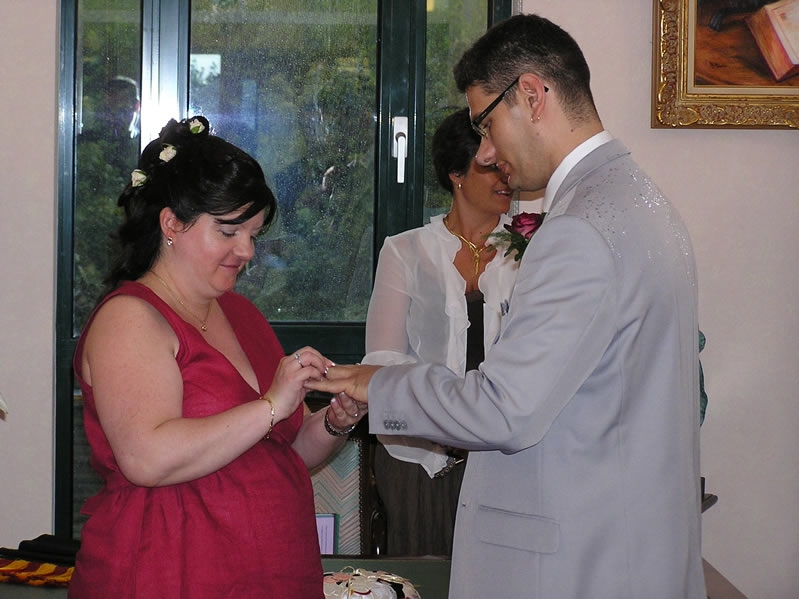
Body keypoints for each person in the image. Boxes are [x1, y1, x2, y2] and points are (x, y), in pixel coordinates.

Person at [309, 14, 706, 599]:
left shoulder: (579, 229)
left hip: (579, 563)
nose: (489, 152)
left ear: (532, 94)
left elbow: (505, 411)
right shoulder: (644, 202)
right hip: (633, 547)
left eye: (487, 125)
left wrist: (379, 384)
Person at [70, 115, 366, 598]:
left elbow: (280, 451)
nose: (246, 251)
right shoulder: (130, 318)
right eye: (229, 231)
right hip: (169, 571)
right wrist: (271, 404)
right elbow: (147, 457)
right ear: (171, 223)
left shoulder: (240, 313)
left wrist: (334, 422)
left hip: (271, 572)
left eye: (254, 234)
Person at [364, 107, 519, 556]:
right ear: (455, 174)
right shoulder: (405, 251)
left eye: (506, 164)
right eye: (489, 166)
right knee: (424, 576)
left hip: (504, 457)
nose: (505, 176)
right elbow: (383, 360)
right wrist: (445, 425)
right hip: (420, 459)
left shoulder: (532, 251)